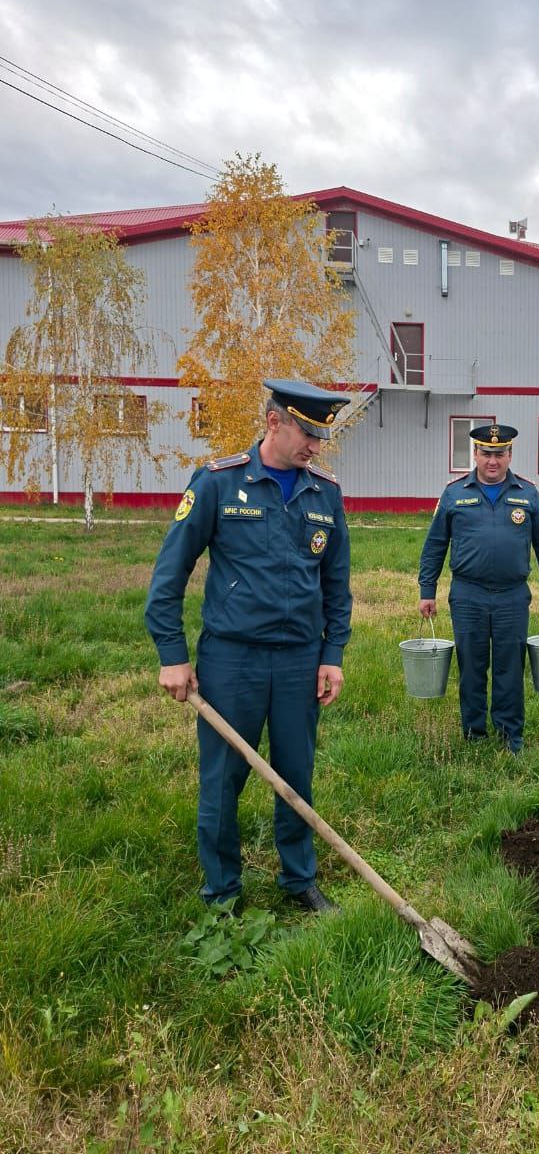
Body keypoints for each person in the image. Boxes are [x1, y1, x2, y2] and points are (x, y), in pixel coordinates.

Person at [145, 379, 353, 912]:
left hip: (300, 659)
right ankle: (222, 892)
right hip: (232, 659)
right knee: (223, 778)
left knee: (295, 773)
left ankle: (299, 878)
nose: (315, 446)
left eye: (322, 436)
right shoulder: (218, 483)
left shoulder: (324, 493)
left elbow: (337, 584)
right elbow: (169, 574)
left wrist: (332, 655)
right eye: (307, 433)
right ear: (273, 422)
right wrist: (172, 655)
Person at [418, 423, 539, 753]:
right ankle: (474, 732)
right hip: (468, 595)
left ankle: (510, 735)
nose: (492, 461)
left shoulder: (528, 493)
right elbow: (435, 545)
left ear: (510, 455)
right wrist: (427, 591)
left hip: (512, 596)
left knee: (510, 666)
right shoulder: (455, 493)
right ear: (475, 454)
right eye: (486, 453)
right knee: (471, 665)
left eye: (499, 454)